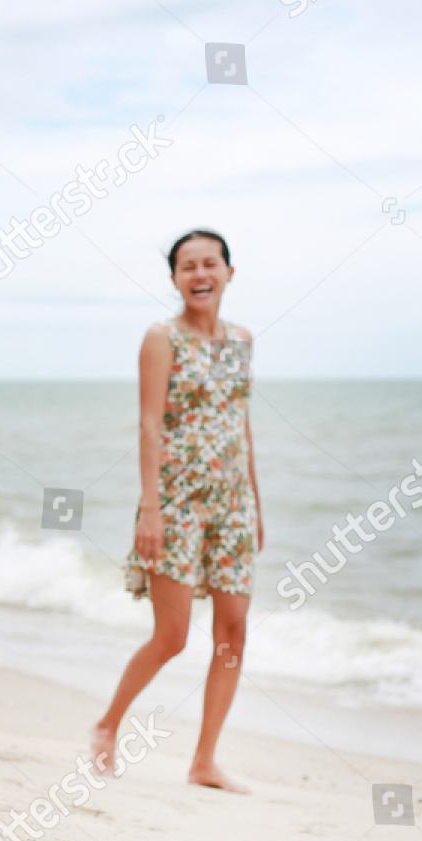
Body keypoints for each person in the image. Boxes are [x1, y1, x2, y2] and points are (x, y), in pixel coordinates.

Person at [90, 230, 263, 793]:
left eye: (209, 263)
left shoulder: (241, 340)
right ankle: (107, 725)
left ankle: (204, 762)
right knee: (173, 636)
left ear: (229, 272)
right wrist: (150, 510)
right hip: (176, 502)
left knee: (233, 634)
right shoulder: (160, 338)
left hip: (232, 505)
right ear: (174, 279)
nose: (199, 274)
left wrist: (254, 504)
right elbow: (149, 425)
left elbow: (241, 425)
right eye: (187, 266)